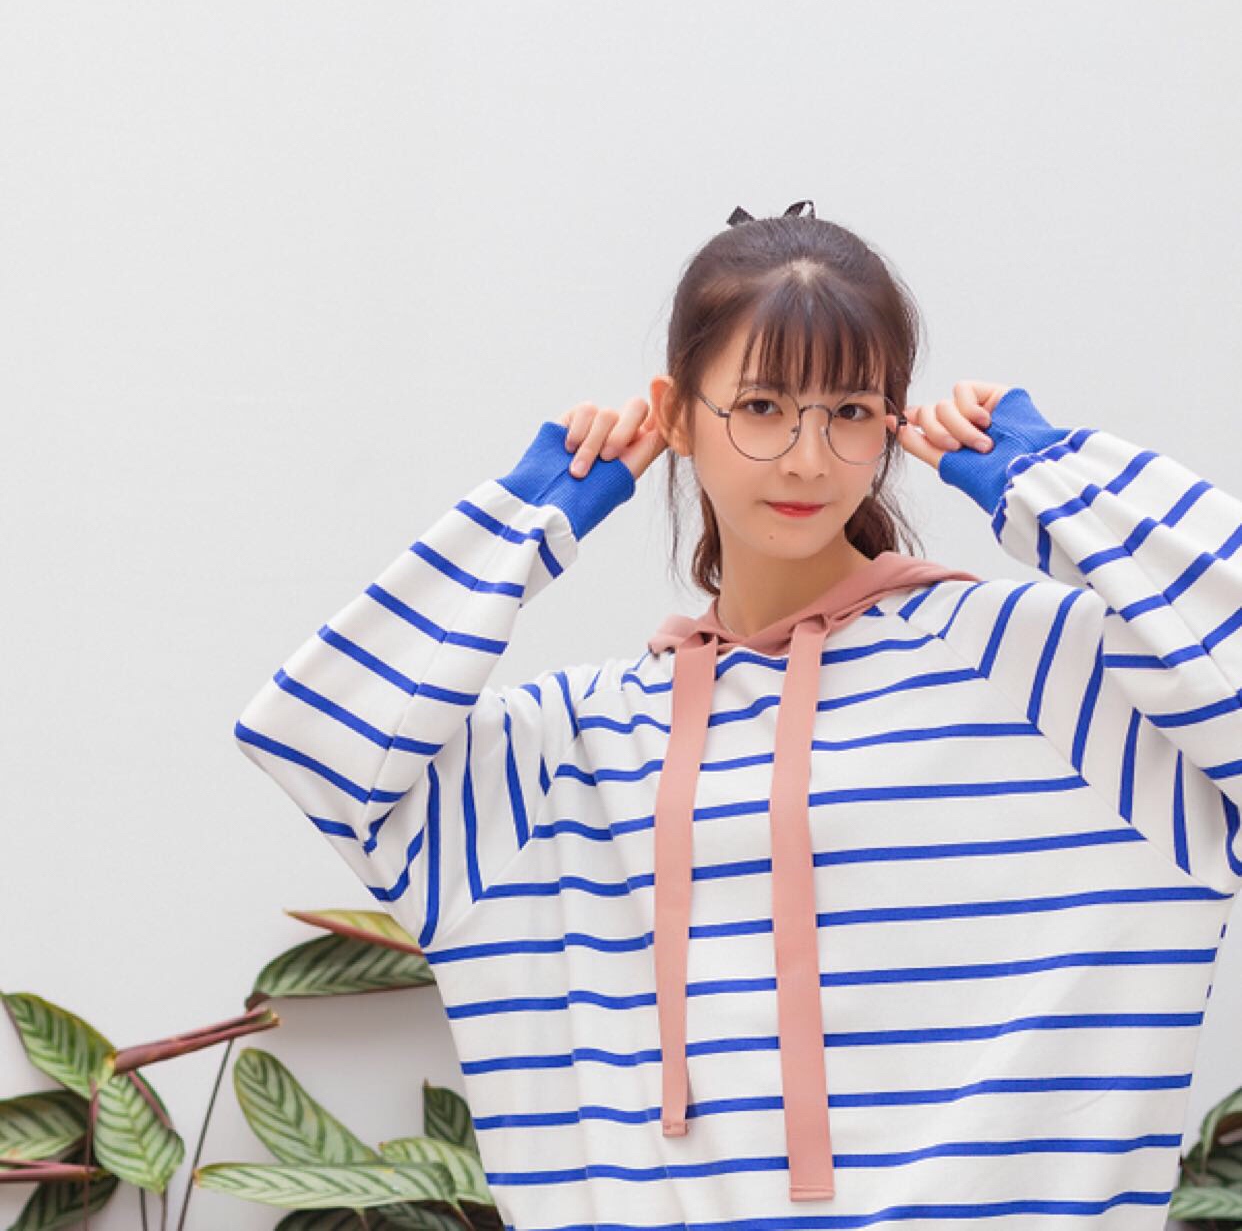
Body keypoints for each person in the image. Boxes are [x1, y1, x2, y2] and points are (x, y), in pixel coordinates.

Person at [233, 201, 1242, 1230]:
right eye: (761, 406)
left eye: (851, 411)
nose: (808, 459)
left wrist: (1053, 476)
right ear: (675, 417)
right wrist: (535, 512)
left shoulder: (1040, 679)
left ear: (895, 424)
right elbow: (317, 741)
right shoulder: (580, 746)